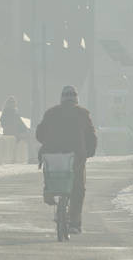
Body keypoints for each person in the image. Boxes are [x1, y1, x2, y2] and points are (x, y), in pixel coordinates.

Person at [35, 85, 97, 234]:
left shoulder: (50, 113)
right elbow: (91, 137)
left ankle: (49, 193)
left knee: (52, 175)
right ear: (76, 98)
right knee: (78, 188)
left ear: (62, 98)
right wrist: (88, 153)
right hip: (76, 156)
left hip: (53, 155)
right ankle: (75, 223)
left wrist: (48, 144)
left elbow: (39, 134)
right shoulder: (83, 114)